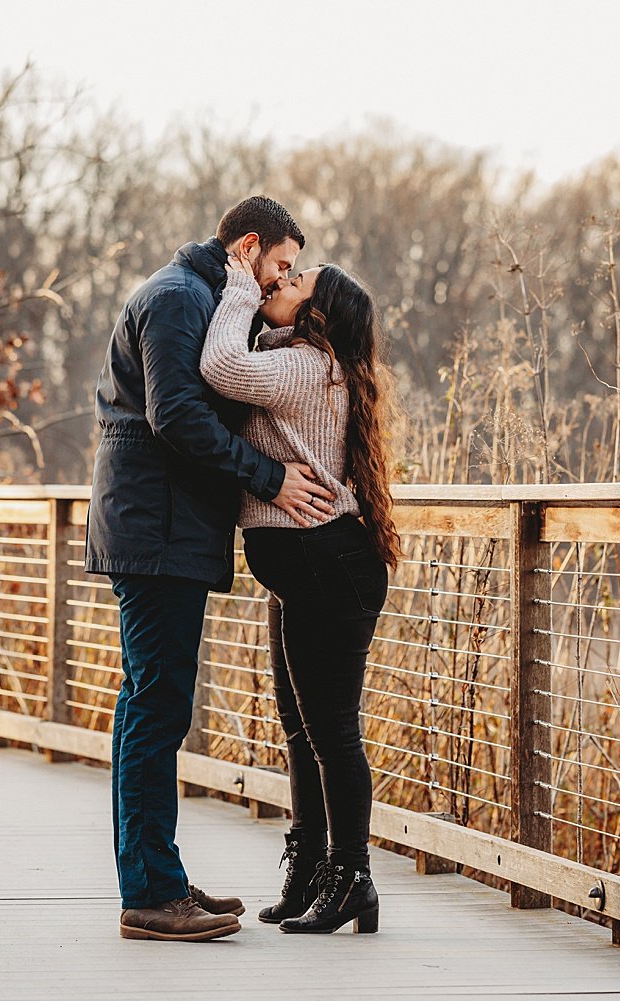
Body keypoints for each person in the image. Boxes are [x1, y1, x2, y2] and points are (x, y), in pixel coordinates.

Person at [85, 195, 336, 943]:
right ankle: (153, 892)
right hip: (156, 532)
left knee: (152, 704)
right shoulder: (175, 297)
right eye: (281, 266)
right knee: (156, 706)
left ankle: (156, 876)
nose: (279, 280)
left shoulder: (198, 296)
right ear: (249, 245)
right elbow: (177, 416)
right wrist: (269, 478)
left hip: (165, 528)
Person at [200, 250, 400, 935]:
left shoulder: (302, 365)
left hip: (326, 565)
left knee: (333, 732)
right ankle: (315, 865)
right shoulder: (301, 360)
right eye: (284, 273)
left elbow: (220, 367)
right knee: (302, 726)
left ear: (314, 316)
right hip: (309, 568)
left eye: (295, 282)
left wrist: (234, 286)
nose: (279, 282)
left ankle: (352, 878)